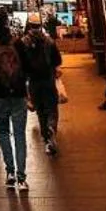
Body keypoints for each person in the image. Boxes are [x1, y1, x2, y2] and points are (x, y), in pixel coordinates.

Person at [0, 9, 30, 191]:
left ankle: (9, 171)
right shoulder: (17, 43)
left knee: (3, 132)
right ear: (7, 21)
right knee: (19, 135)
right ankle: (22, 176)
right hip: (17, 94)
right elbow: (26, 67)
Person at [18, 18, 63, 154]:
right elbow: (57, 60)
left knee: (40, 110)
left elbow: (21, 64)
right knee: (52, 108)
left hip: (34, 82)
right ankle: (51, 127)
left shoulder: (23, 43)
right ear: (41, 26)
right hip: (48, 80)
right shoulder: (49, 41)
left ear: (29, 26)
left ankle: (46, 138)